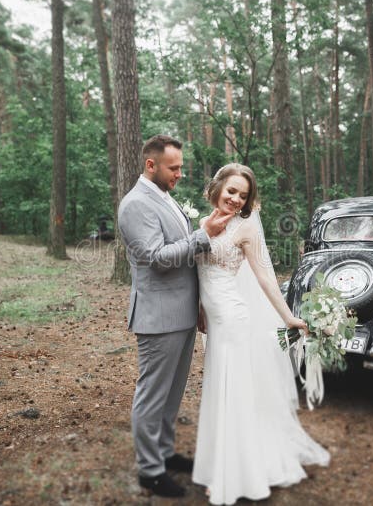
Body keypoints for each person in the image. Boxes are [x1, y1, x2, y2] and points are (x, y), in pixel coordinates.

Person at [193, 164, 330, 505]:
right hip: (213, 321)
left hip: (234, 320)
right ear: (217, 188)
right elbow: (199, 273)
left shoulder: (246, 229)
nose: (236, 199)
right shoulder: (203, 224)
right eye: (231, 191)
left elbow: (266, 278)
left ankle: (236, 475)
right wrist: (198, 310)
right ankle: (217, 466)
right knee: (218, 392)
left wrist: (289, 318)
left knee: (233, 393)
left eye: (243, 195)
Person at [117, 135, 232, 498]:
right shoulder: (135, 204)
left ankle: (164, 454)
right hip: (158, 316)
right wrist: (204, 235)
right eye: (174, 168)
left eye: (180, 167)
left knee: (172, 394)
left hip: (181, 313)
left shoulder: (163, 196)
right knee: (152, 395)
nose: (179, 174)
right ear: (151, 165)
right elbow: (157, 257)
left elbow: (182, 261)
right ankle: (150, 471)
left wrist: (199, 302)